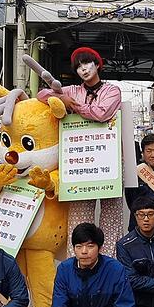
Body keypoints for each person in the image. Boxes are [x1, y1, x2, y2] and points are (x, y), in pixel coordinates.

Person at [38, 47, 124, 257]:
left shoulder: (112, 91)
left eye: (87, 63)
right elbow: (42, 94)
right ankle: (78, 260)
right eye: (78, 66)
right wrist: (59, 99)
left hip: (108, 162)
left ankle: (109, 262)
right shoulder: (72, 90)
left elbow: (102, 113)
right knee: (78, 217)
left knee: (111, 218)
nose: (83, 69)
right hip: (80, 165)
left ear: (97, 64)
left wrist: (72, 106)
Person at [124, 134, 154, 231]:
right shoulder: (135, 172)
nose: (153, 155)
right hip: (139, 225)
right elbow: (130, 200)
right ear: (143, 153)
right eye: (148, 151)